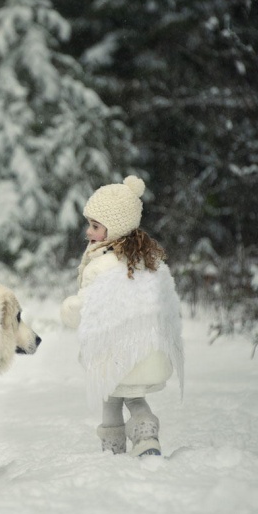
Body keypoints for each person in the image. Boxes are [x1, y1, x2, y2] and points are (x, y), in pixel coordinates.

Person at [60, 175, 184, 457]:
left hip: (117, 354)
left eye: (95, 226)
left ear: (114, 228)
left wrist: (69, 310)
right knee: (128, 394)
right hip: (147, 352)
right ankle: (143, 436)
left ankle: (118, 445)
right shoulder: (144, 261)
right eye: (89, 224)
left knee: (113, 393)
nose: (88, 232)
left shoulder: (101, 266)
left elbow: (89, 309)